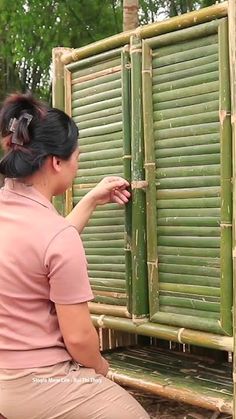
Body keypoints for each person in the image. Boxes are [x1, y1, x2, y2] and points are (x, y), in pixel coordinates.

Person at [0, 93, 150, 419]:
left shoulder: (17, 217)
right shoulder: (56, 236)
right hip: (40, 382)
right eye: (77, 159)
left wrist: (92, 200)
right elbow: (80, 339)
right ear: (57, 162)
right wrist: (100, 368)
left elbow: (37, 251)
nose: (77, 167)